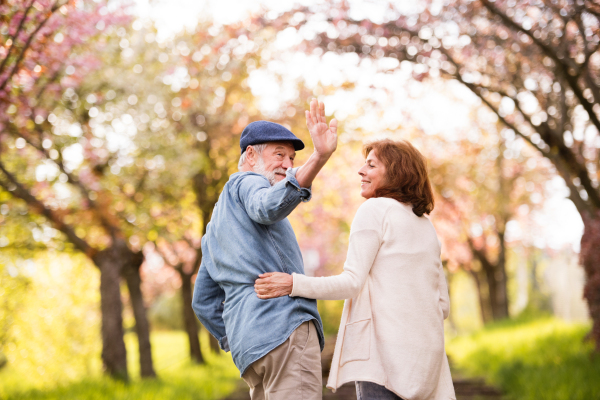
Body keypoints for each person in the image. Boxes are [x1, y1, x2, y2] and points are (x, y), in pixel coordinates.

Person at [254, 139, 456, 400]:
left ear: (396, 172)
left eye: (371, 165)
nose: (361, 171)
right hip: (428, 363)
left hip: (383, 362)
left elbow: (351, 283)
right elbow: (442, 305)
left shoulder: (374, 210)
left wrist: (293, 284)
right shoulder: (425, 225)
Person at [191, 98, 338, 400]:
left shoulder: (213, 229)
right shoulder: (248, 183)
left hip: (251, 349)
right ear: (250, 155)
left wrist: (240, 331)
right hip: (284, 330)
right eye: (279, 154)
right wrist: (319, 157)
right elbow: (267, 207)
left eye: (293, 158)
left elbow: (203, 302)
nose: (288, 164)